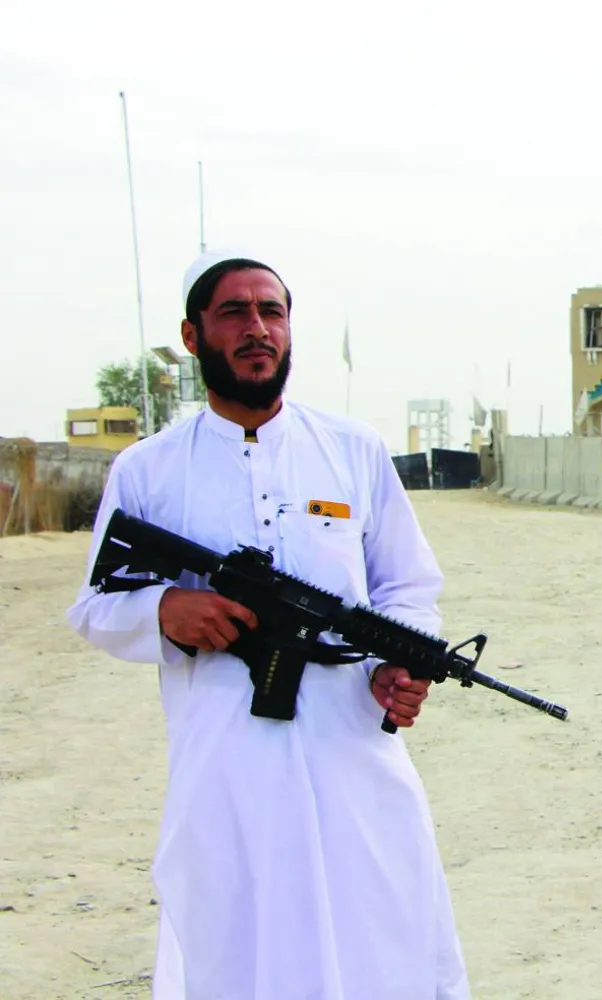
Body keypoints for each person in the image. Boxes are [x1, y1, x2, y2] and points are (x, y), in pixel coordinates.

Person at [67, 248, 470, 999]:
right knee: (235, 937)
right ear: (193, 337)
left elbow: (407, 585)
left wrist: (399, 666)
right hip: (223, 753)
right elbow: (93, 607)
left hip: (351, 741)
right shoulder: (149, 470)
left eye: (272, 312)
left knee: (382, 921)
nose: (258, 329)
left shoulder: (352, 450)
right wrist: (166, 609)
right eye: (235, 313)